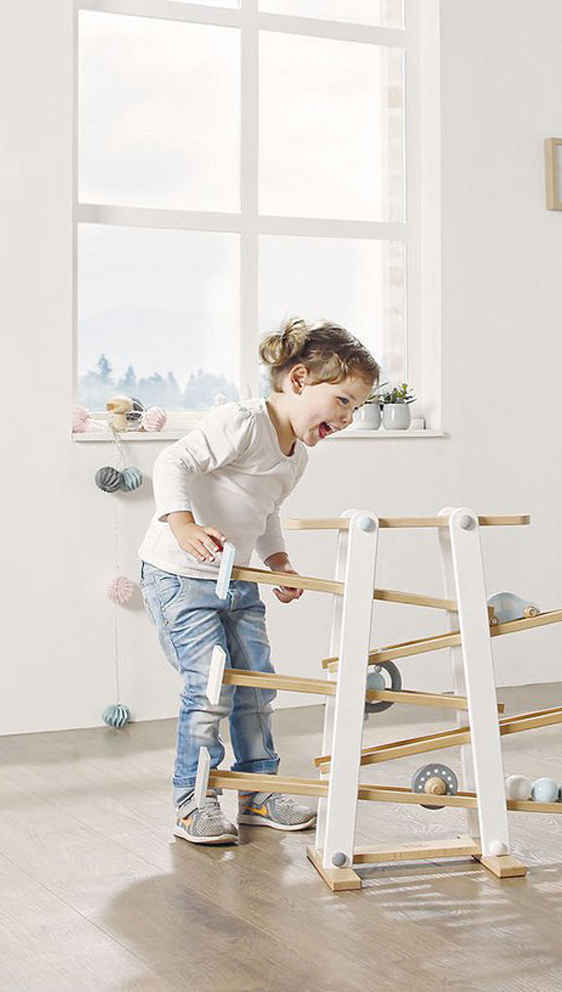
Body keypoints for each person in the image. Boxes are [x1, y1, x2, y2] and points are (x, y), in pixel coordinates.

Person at [138, 318, 379, 844]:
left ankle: (256, 792)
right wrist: (180, 523)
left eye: (356, 408)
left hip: (237, 580)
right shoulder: (242, 422)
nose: (348, 417)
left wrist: (279, 561)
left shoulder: (298, 457)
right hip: (179, 575)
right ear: (298, 380)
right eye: (342, 401)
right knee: (209, 686)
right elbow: (173, 459)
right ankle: (192, 800)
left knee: (256, 684)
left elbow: (265, 510)